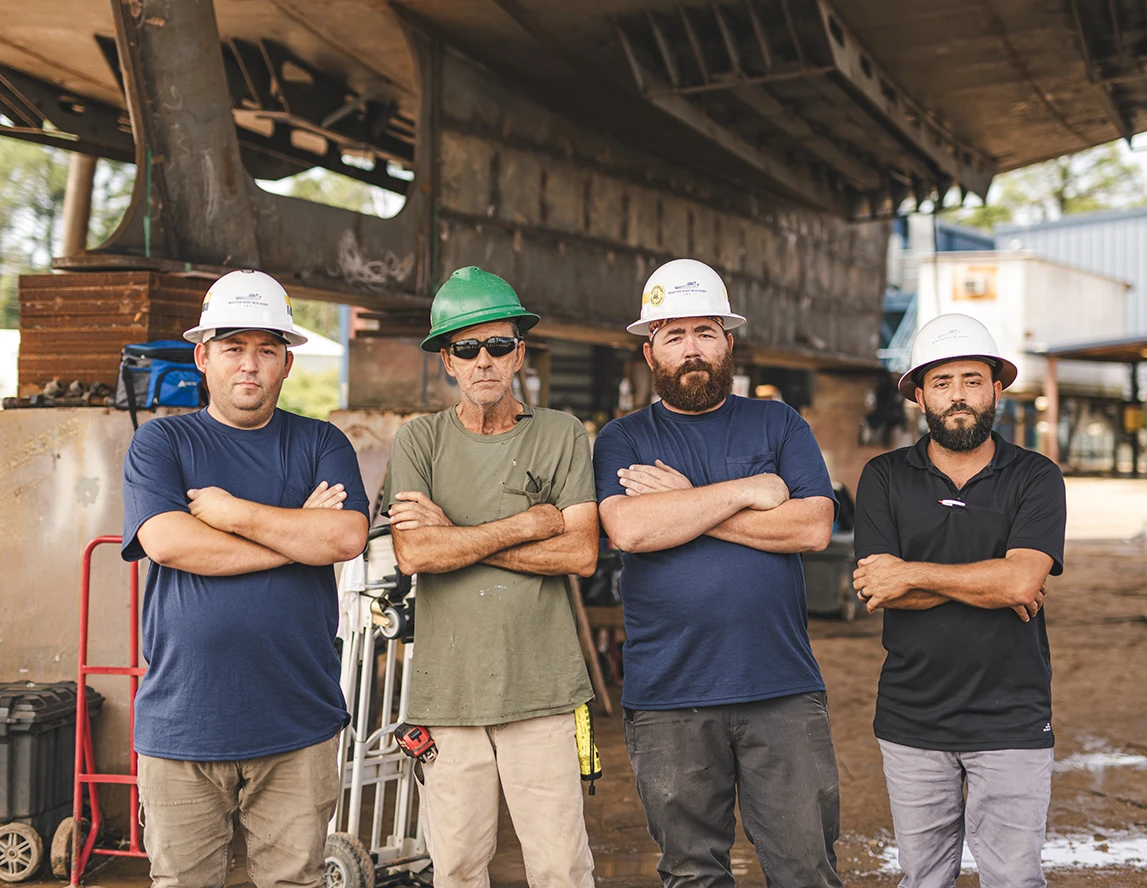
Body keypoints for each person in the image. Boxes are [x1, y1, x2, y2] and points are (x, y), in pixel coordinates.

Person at [593, 258, 842, 888]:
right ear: (650, 353)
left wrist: (686, 499)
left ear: (729, 342)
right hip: (670, 696)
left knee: (805, 868)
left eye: (704, 332)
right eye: (673, 336)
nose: (691, 349)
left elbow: (811, 527)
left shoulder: (778, 423)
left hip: (779, 687)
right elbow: (630, 530)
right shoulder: (621, 439)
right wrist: (752, 490)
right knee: (691, 873)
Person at [121, 269, 370, 888]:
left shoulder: (321, 442)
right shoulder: (162, 443)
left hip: (297, 721)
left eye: (267, 349)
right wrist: (295, 539)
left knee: (294, 881)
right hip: (185, 722)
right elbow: (170, 542)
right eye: (233, 348)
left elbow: (343, 537)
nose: (250, 366)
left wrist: (235, 515)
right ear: (203, 356)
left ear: (287, 361)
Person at [382, 266, 598, 888]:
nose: (484, 361)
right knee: (456, 869)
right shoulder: (418, 440)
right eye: (467, 348)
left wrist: (455, 532)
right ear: (446, 360)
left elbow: (580, 554)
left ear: (519, 353)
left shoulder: (560, 434)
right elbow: (415, 554)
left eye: (499, 346)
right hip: (448, 698)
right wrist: (527, 524)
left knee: (561, 868)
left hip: (544, 690)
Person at [853, 313, 1066, 888]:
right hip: (911, 718)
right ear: (919, 395)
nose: (958, 396)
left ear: (997, 388)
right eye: (942, 383)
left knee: (1015, 880)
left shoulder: (1036, 477)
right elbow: (879, 588)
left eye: (971, 380)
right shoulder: (884, 476)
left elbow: (1021, 584)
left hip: (1012, 717)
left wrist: (913, 575)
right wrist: (990, 583)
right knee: (923, 880)